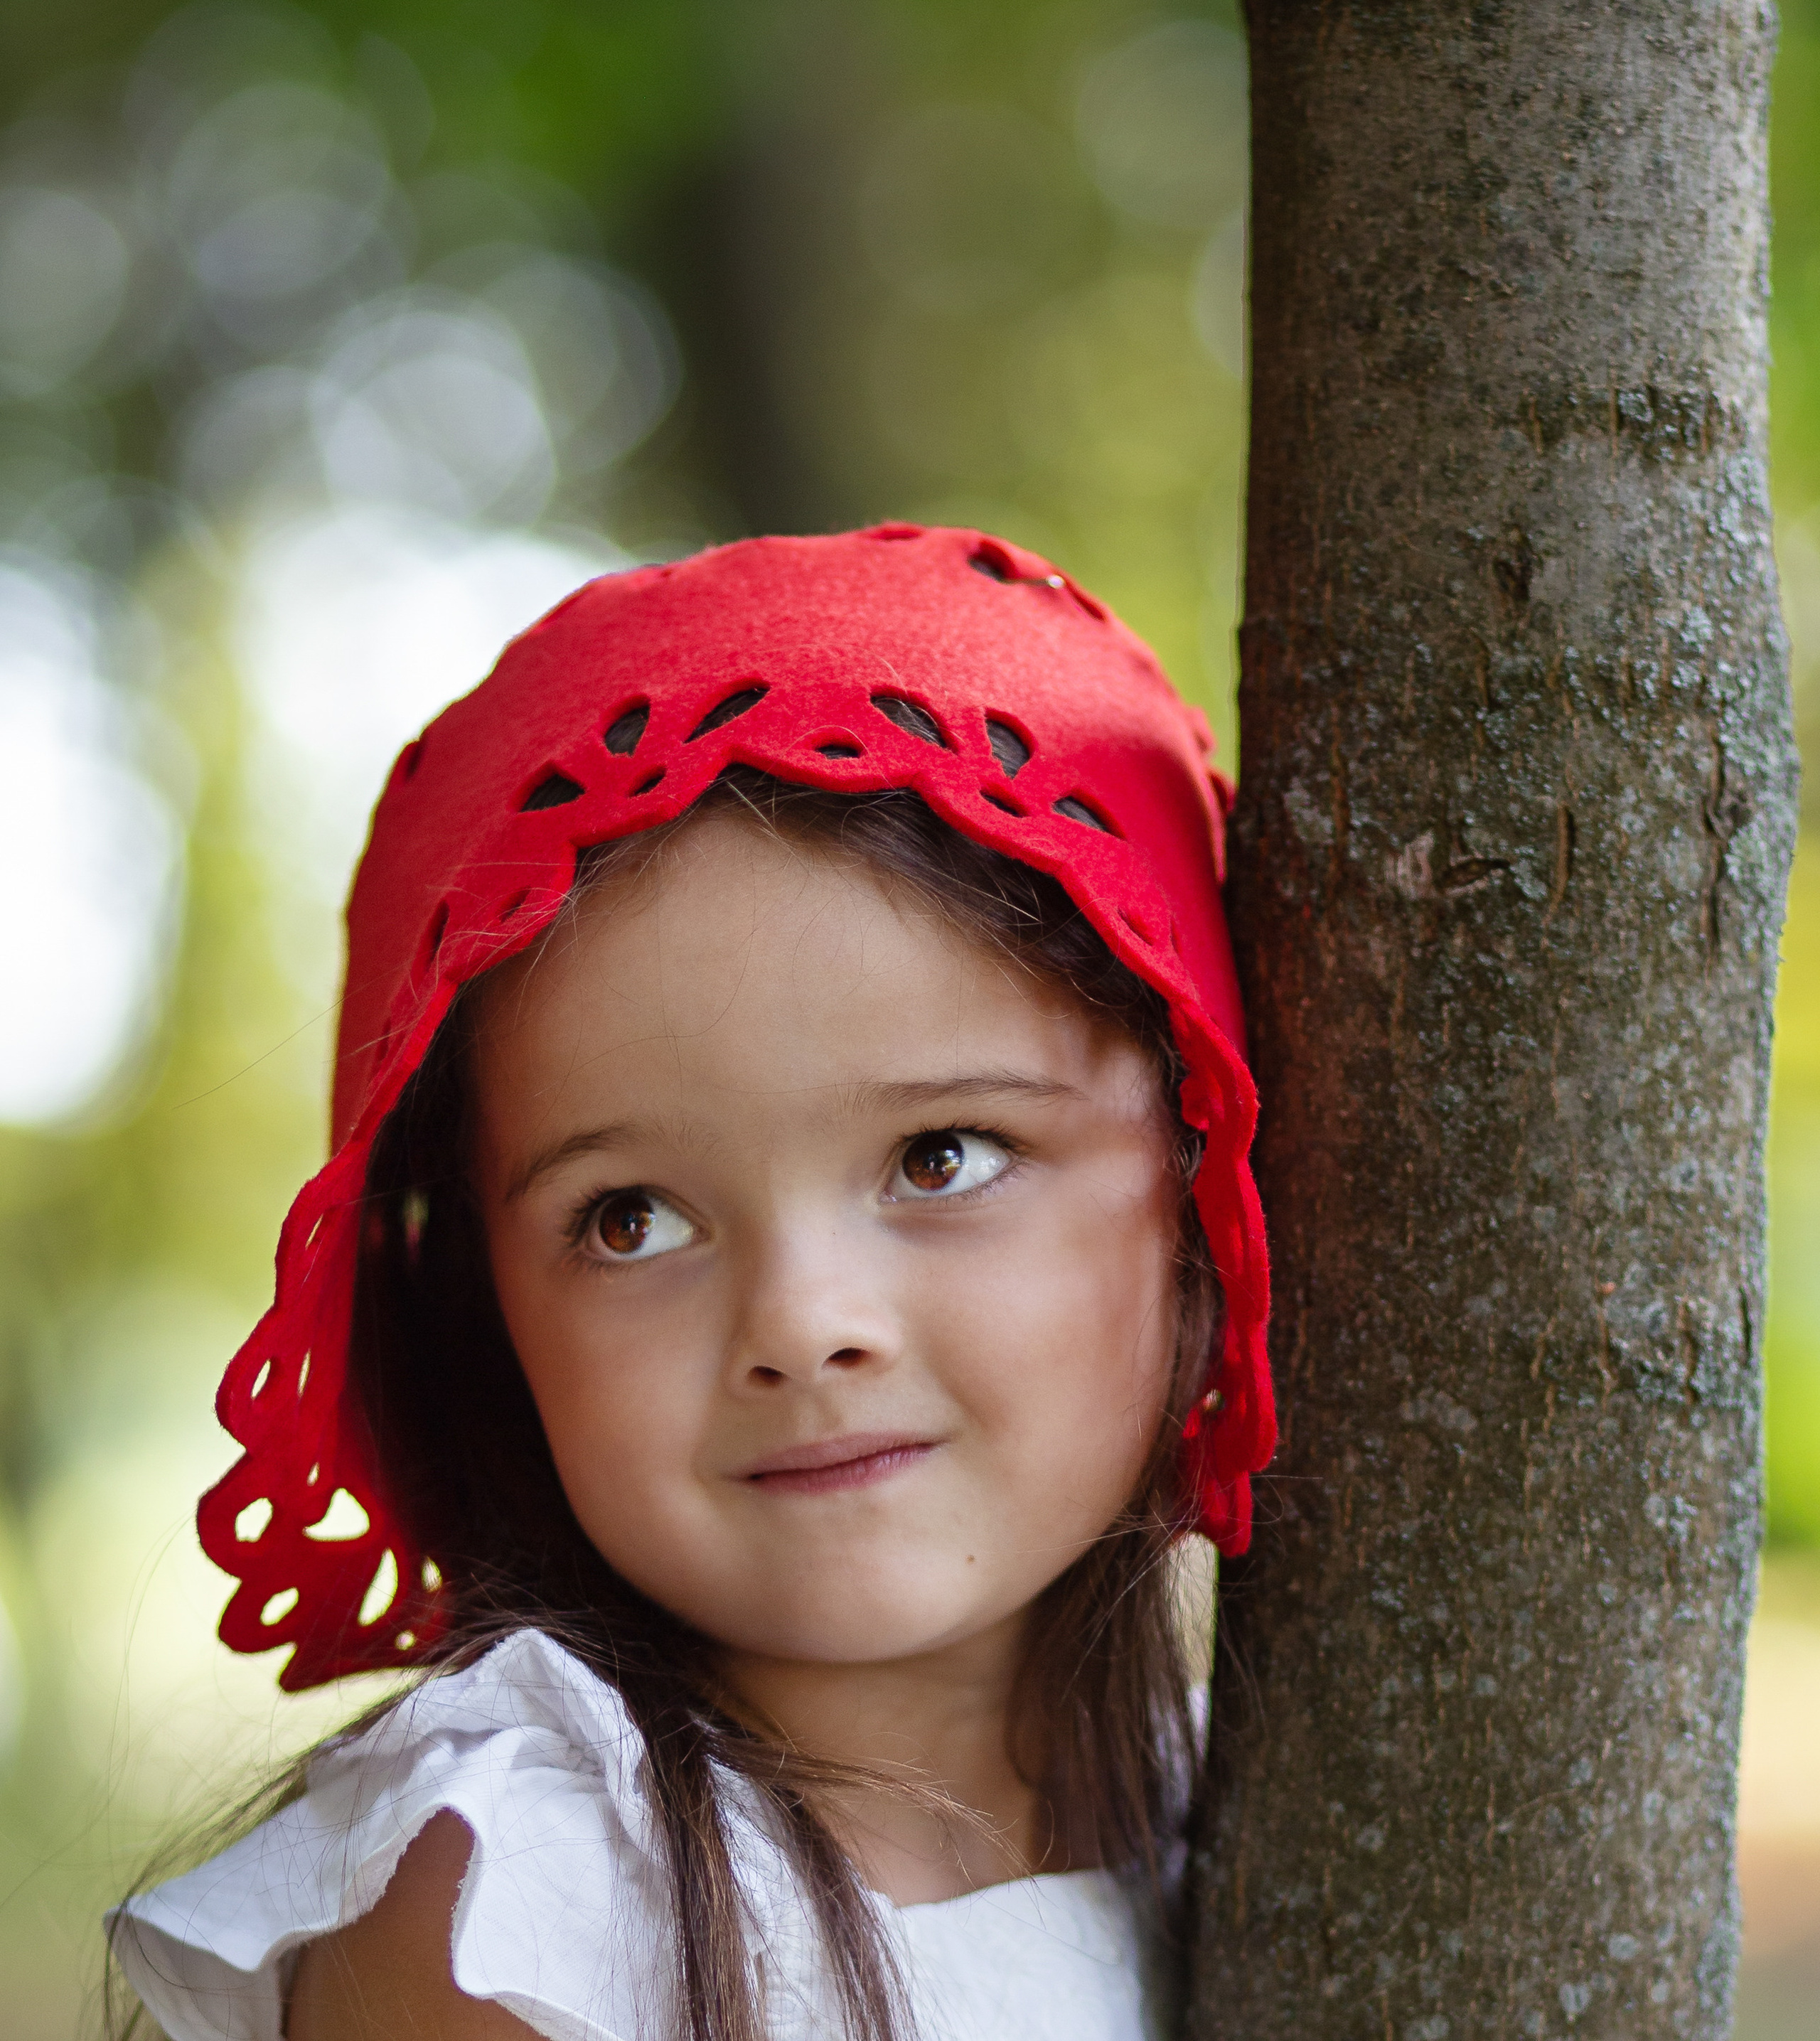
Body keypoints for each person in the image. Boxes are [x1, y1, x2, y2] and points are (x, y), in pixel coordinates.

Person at [106, 525, 1273, 2041]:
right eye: (632, 1216)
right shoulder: (521, 1908)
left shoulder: (1245, 1802)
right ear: (488, 1303)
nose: (799, 1323)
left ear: (1197, 1185)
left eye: (939, 1156)